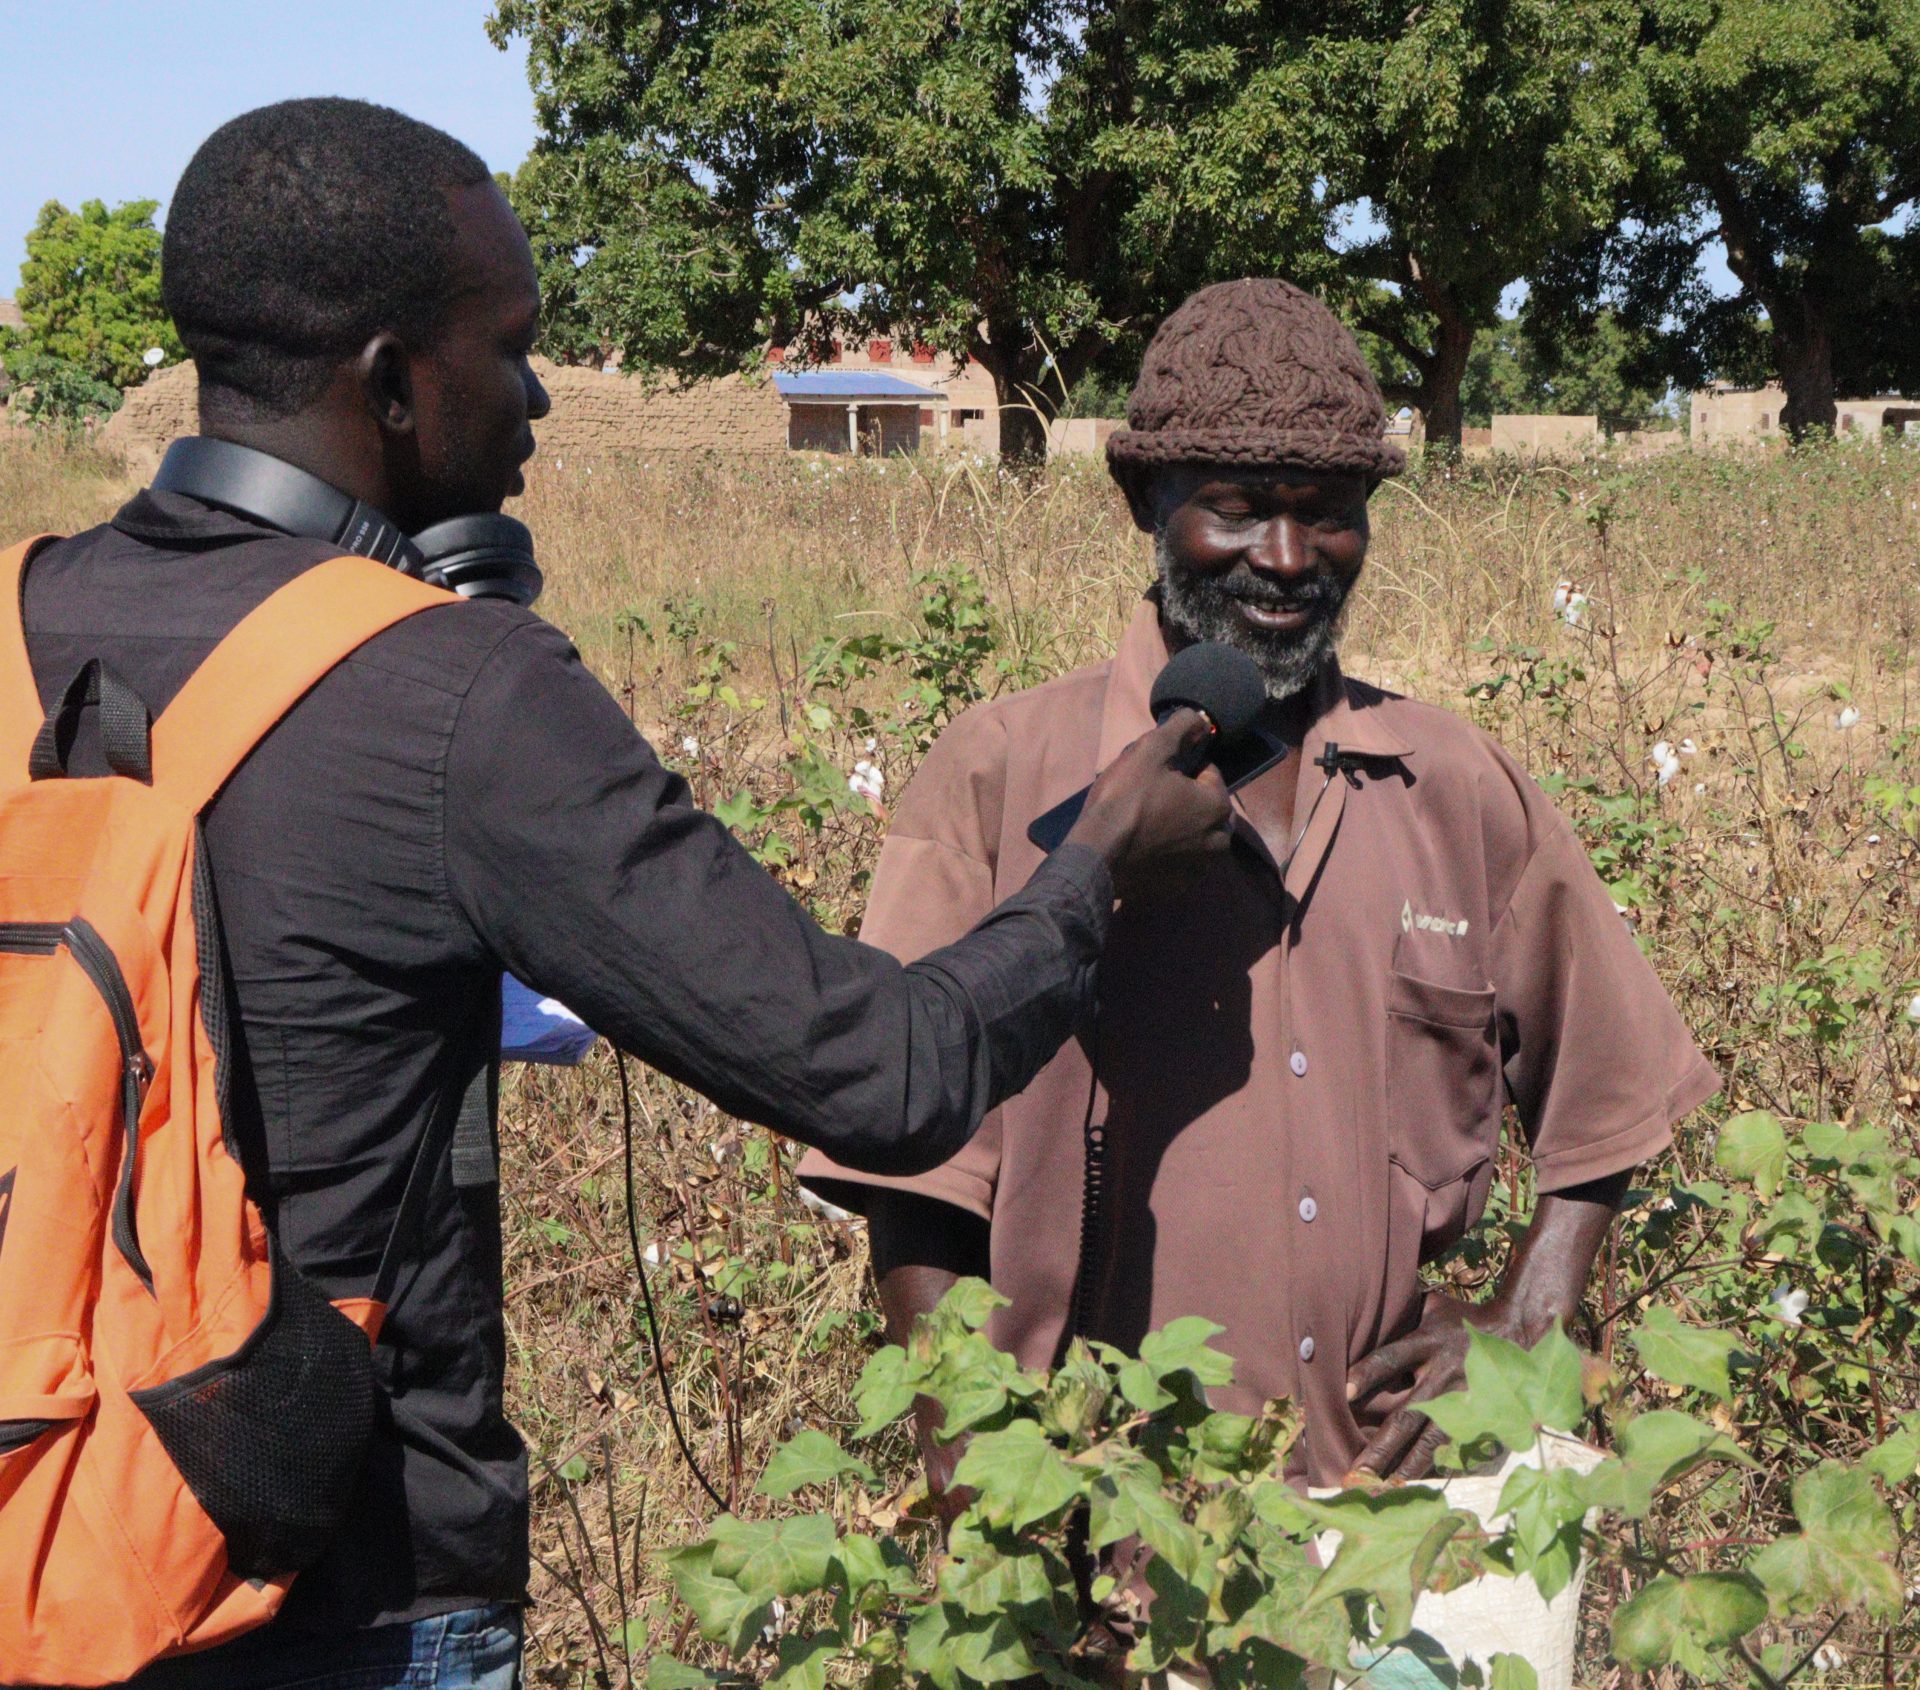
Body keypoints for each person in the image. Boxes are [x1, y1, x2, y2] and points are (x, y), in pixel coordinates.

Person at [13, 100, 1229, 1687]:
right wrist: (1093, 873)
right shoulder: (459, 695)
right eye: (508, 348)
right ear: (388, 383)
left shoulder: (23, 610)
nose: (533, 402)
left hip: (36, 1501)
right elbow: (876, 1069)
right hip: (331, 1593)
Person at [798, 278, 1720, 1508]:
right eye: (1237, 512)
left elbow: (1611, 1080)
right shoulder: (1000, 777)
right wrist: (979, 1474)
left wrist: (1532, 1306)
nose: (1285, 561)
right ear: (1144, 501)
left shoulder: (1451, 784)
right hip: (1103, 1525)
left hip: (1396, 1523)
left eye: (1328, 515)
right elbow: (913, 1177)